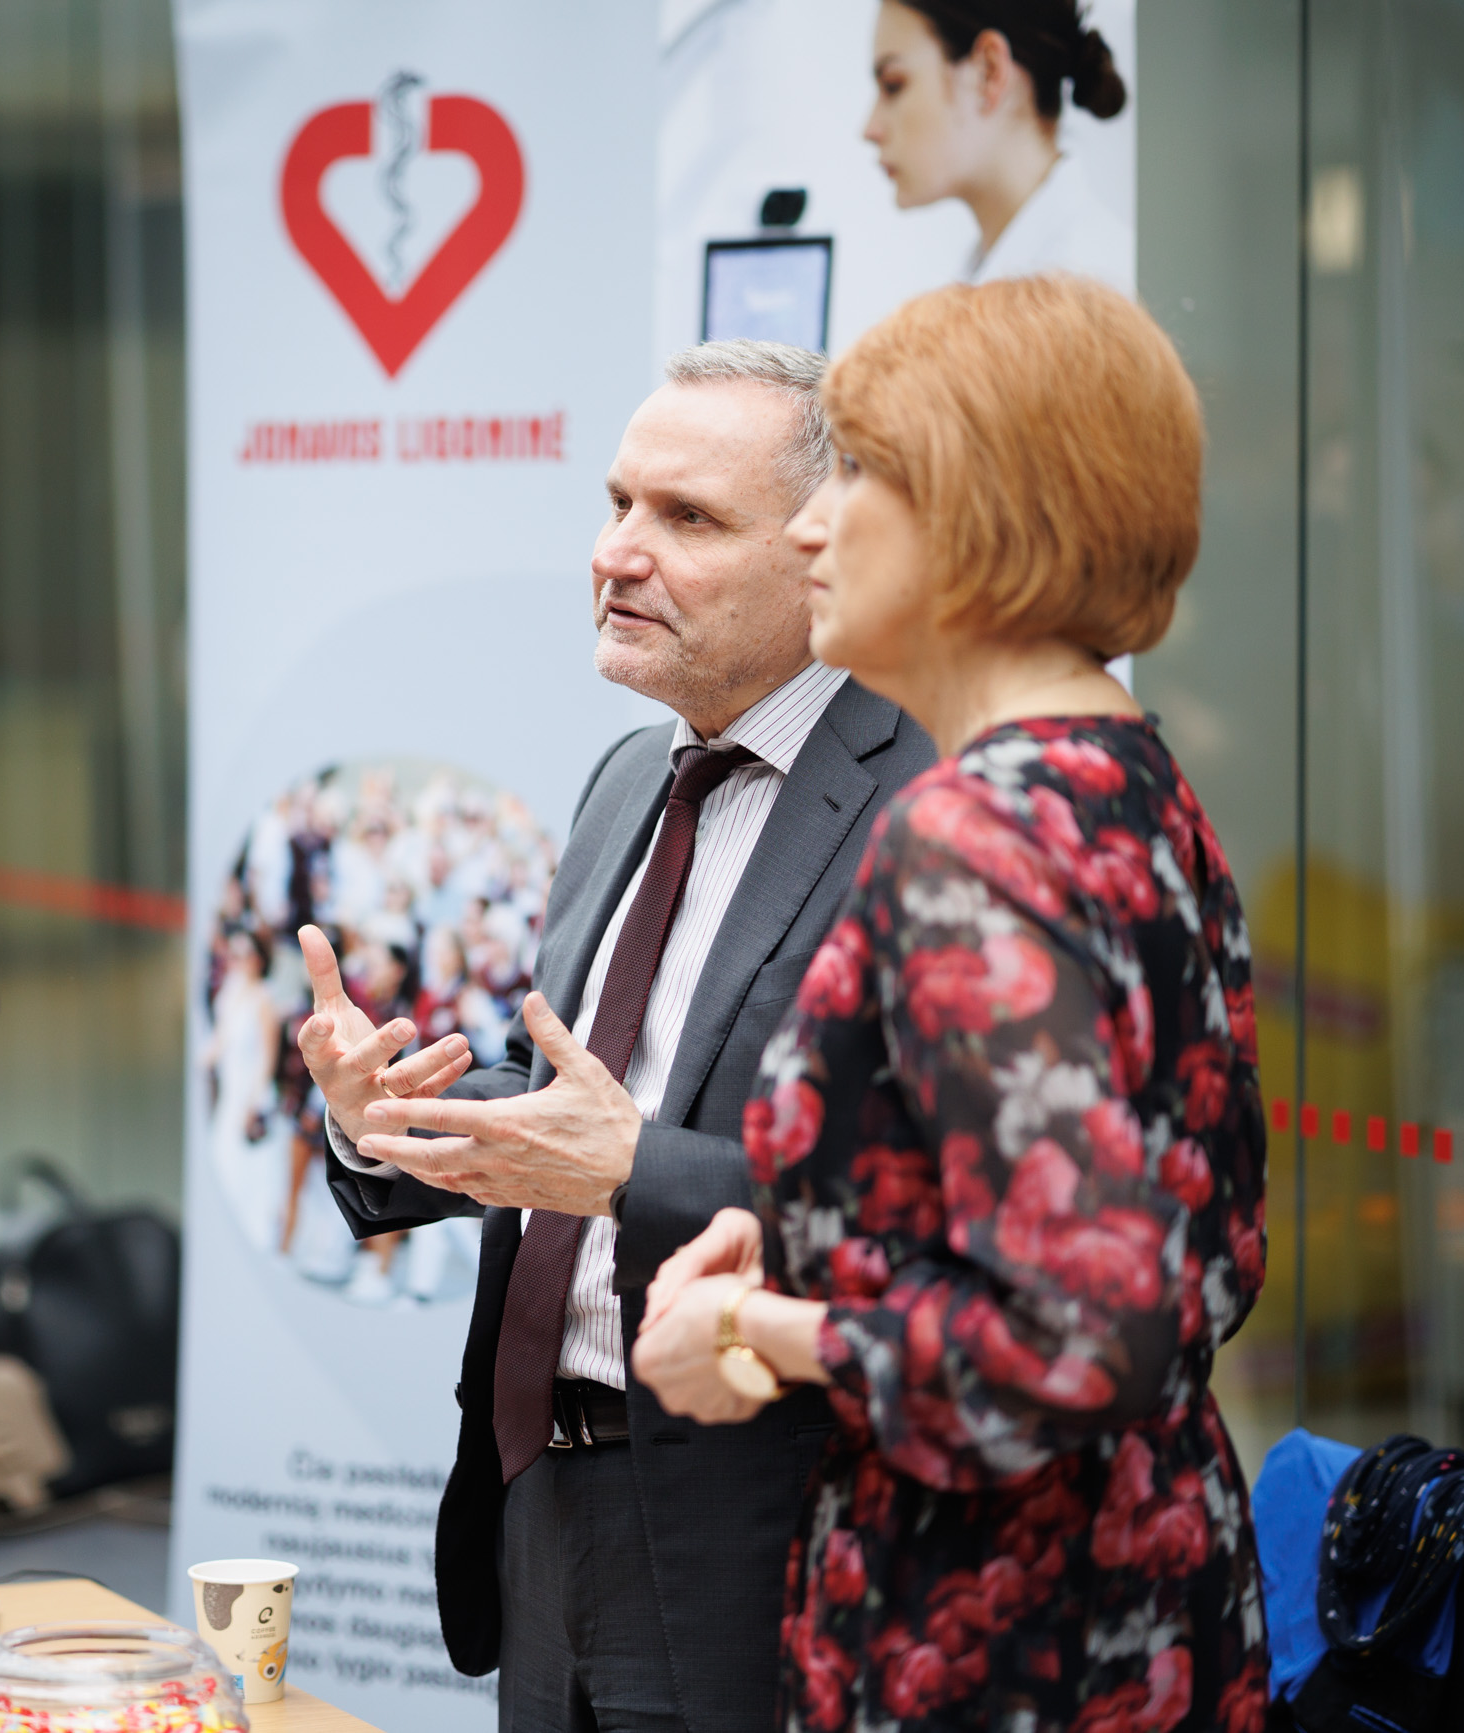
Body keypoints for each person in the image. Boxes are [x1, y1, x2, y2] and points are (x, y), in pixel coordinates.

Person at [632, 275, 1268, 1732]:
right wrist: (813, 1234)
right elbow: (1197, 1251)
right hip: (1155, 1590)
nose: (812, 525)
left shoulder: (970, 833)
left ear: (983, 511)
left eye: (857, 474)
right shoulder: (1133, 787)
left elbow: (1075, 1332)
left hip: (995, 1630)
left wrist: (755, 1328)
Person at [300, 340, 936, 1732]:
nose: (615, 555)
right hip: (540, 1499)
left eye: (686, 518)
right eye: (615, 503)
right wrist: (386, 1117)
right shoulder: (628, 775)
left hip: (762, 1528)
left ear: (826, 551)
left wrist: (636, 1171)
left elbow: (931, 1213)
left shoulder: (930, 810)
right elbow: (578, 1099)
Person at [865, 0, 1133, 296]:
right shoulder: (990, 272)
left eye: (893, 85)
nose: (869, 129)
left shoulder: (1090, 286)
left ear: (989, 72)